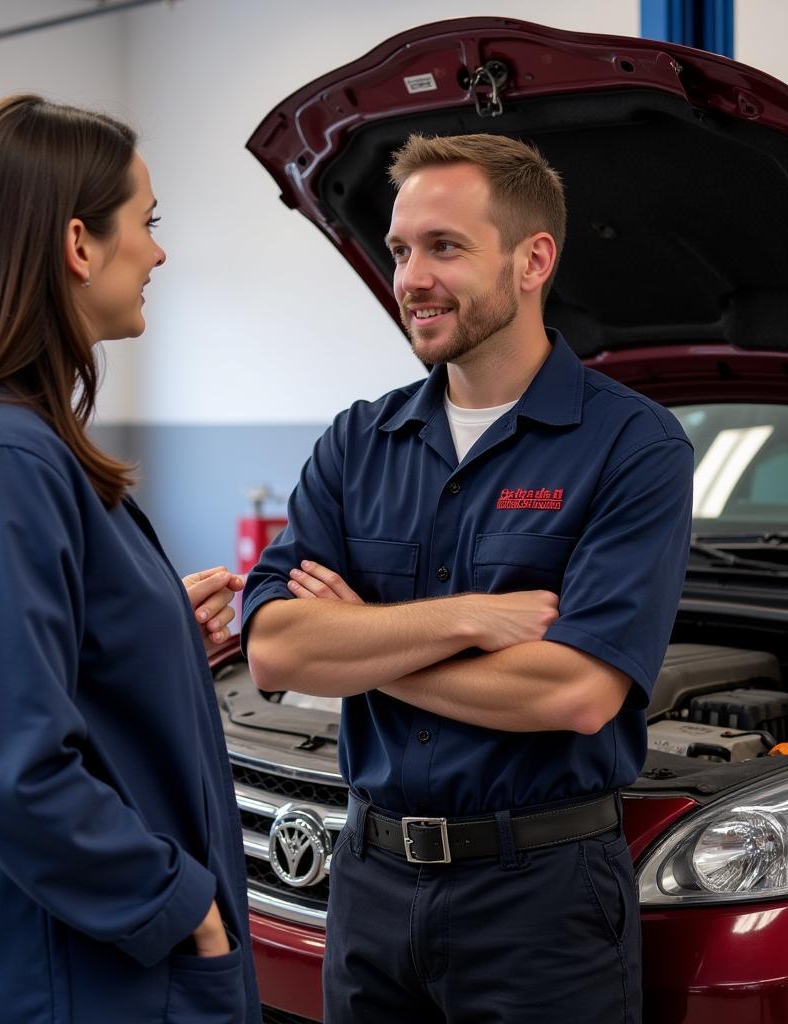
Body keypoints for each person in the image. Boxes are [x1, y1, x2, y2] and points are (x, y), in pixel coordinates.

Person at [242, 134, 693, 1023]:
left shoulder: (632, 447)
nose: (410, 277)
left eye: (444, 247)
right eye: (402, 249)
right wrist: (471, 618)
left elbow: (572, 693)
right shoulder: (356, 443)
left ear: (533, 261)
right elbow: (273, 650)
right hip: (365, 882)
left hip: (542, 902)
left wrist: (365, 643)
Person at [0, 95, 259, 1024]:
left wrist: (149, 636)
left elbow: (28, 680)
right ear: (78, 243)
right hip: (73, 974)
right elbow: (16, 769)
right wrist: (183, 908)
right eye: (145, 225)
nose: (157, 253)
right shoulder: (4, 457)